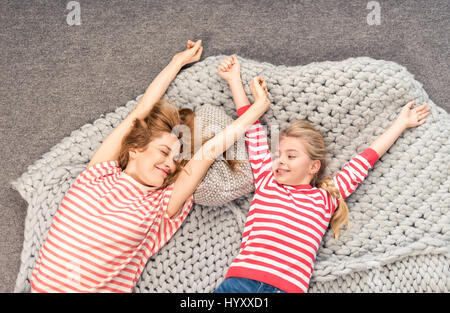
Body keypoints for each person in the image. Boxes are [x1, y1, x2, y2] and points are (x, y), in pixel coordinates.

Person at [29, 42, 271, 293]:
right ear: (135, 149)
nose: (170, 163)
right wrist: (177, 62)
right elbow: (140, 112)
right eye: (165, 152)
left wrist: (258, 108)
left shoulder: (161, 206)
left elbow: (208, 153)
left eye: (176, 161)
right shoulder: (98, 173)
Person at [214, 55, 431, 293]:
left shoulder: (325, 198)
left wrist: (401, 123)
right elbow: (252, 129)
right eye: (279, 155)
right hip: (241, 282)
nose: (281, 161)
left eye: (292, 156)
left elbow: (365, 159)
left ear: (313, 167)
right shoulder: (267, 181)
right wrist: (234, 80)